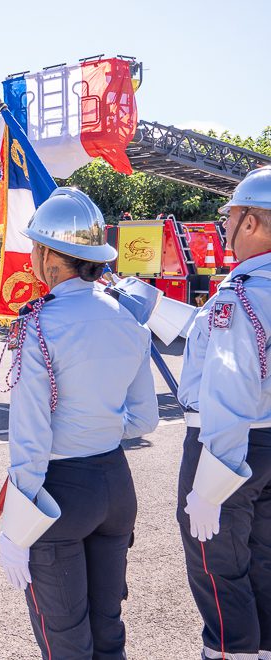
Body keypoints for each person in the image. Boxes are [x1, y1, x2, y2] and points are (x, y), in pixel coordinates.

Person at [0, 188, 158, 659]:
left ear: (49, 257)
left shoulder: (38, 324)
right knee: (108, 628)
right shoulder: (128, 318)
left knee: (65, 637)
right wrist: (99, 426)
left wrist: (16, 525)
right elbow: (144, 419)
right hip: (115, 484)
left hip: (60, 491)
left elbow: (30, 432)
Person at [175, 166, 271, 660]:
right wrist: (152, 304)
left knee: (218, 571)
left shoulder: (239, 296)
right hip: (269, 441)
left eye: (231, 217)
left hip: (229, 447)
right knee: (262, 563)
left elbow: (231, 390)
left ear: (251, 223)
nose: (226, 226)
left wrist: (212, 486)